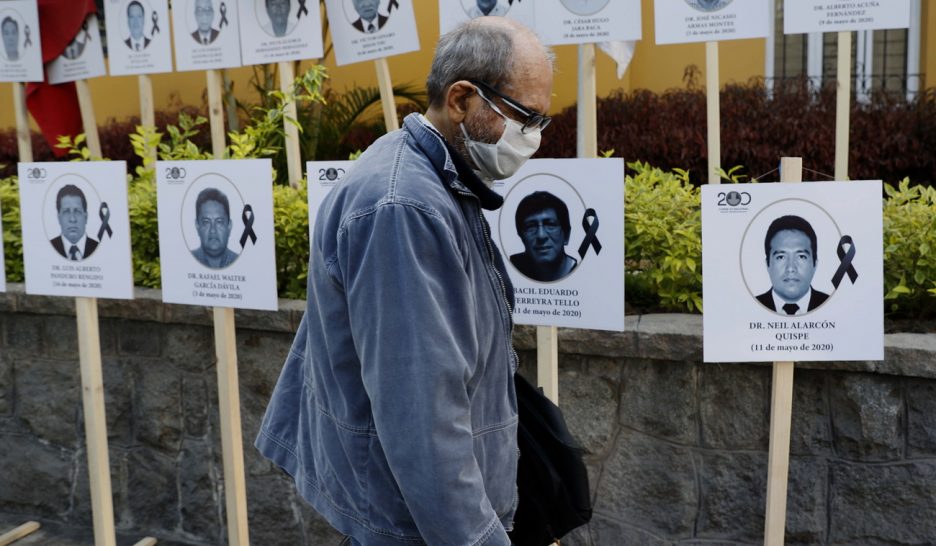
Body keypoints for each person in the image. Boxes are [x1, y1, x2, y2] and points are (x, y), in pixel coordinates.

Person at [256, 16, 553, 546]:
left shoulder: (435, 175)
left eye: (540, 122)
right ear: (461, 99)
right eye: (523, 117)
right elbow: (421, 414)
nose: (531, 137)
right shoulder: (402, 206)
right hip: (412, 523)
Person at [755, 215, 829, 315]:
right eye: (781, 257)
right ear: (767, 264)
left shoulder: (832, 305)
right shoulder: (750, 307)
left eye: (801, 256)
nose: (790, 268)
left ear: (815, 264)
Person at [509, 191, 578, 282]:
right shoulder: (507, 267)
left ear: (566, 234)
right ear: (521, 235)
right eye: (531, 226)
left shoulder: (584, 274)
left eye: (550, 224)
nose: (541, 236)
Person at [190, 188, 239, 269]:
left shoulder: (242, 262)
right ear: (197, 226)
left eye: (219, 222)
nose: (213, 230)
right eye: (206, 222)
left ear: (229, 226)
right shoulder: (185, 260)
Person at [50, 185, 98, 261]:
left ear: (86, 217)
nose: (72, 219)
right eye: (66, 212)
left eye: (77, 211)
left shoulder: (99, 248)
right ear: (59, 218)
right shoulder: (49, 247)